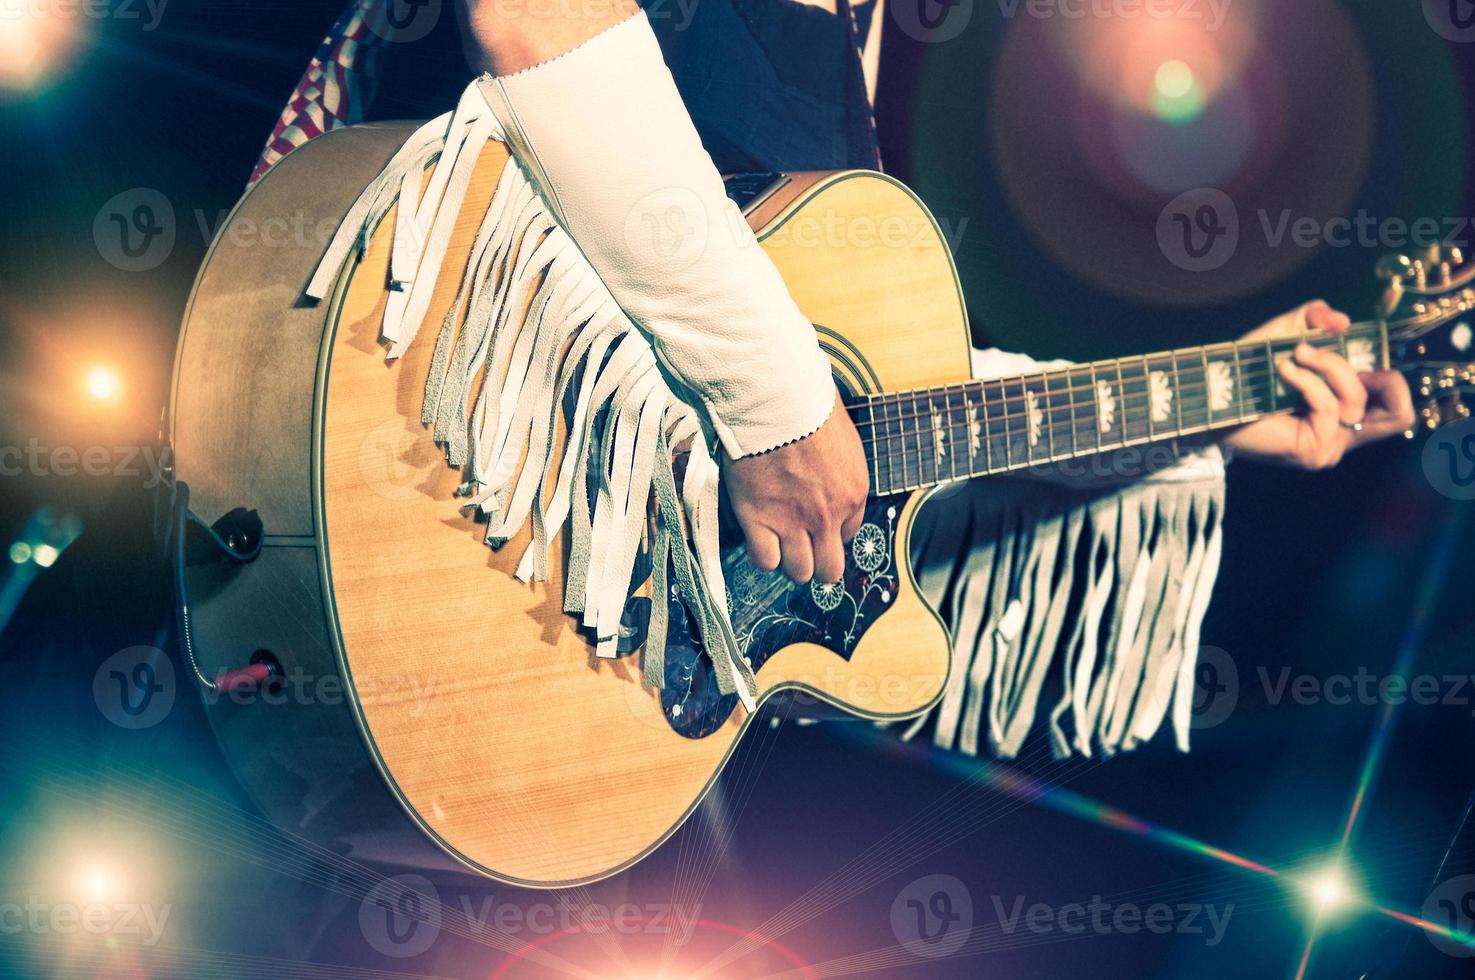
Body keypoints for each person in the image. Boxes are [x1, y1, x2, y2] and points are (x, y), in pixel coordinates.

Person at [258, 0, 1414, 757]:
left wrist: (1223, 404)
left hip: (555, 698)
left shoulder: (844, 25)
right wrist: (777, 409)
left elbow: (859, 398)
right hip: (360, 471)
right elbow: (532, 16)